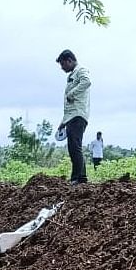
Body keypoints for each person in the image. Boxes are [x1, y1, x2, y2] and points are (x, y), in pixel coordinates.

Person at [56, 49, 91, 184]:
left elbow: (87, 82)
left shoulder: (81, 70)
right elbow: (69, 106)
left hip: (78, 115)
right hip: (72, 116)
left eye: (63, 64)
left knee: (74, 146)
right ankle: (81, 177)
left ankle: (77, 178)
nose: (62, 68)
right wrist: (63, 122)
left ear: (69, 60)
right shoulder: (72, 74)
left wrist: (72, 93)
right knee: (74, 146)